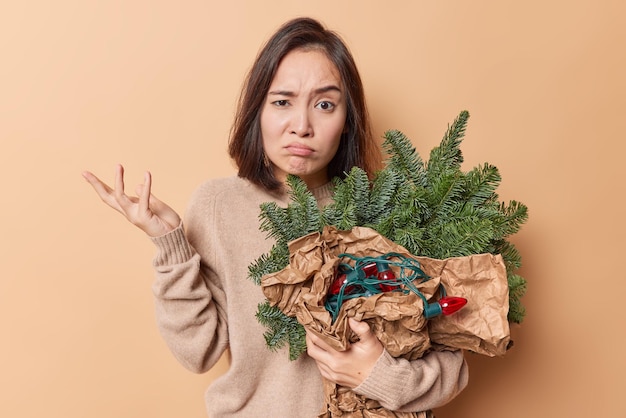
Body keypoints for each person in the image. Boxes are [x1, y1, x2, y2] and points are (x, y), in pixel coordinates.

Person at [82, 17, 468, 418]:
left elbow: (452, 369)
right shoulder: (218, 205)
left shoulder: (391, 208)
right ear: (258, 111)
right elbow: (198, 353)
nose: (301, 126)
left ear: (347, 120)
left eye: (324, 105)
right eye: (282, 102)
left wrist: (377, 373)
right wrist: (171, 247)